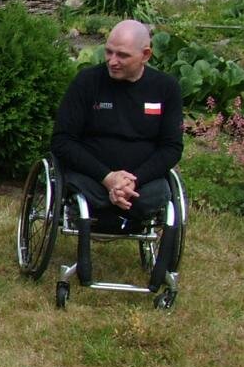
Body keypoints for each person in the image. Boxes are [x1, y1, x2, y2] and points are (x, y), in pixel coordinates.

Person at [51, 19, 183, 234]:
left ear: (146, 55)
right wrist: (108, 178)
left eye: (122, 55)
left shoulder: (166, 88)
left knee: (155, 195)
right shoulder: (87, 82)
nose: (112, 61)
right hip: (92, 178)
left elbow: (172, 147)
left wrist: (133, 182)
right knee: (86, 190)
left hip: (141, 184)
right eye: (108, 52)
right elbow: (62, 141)